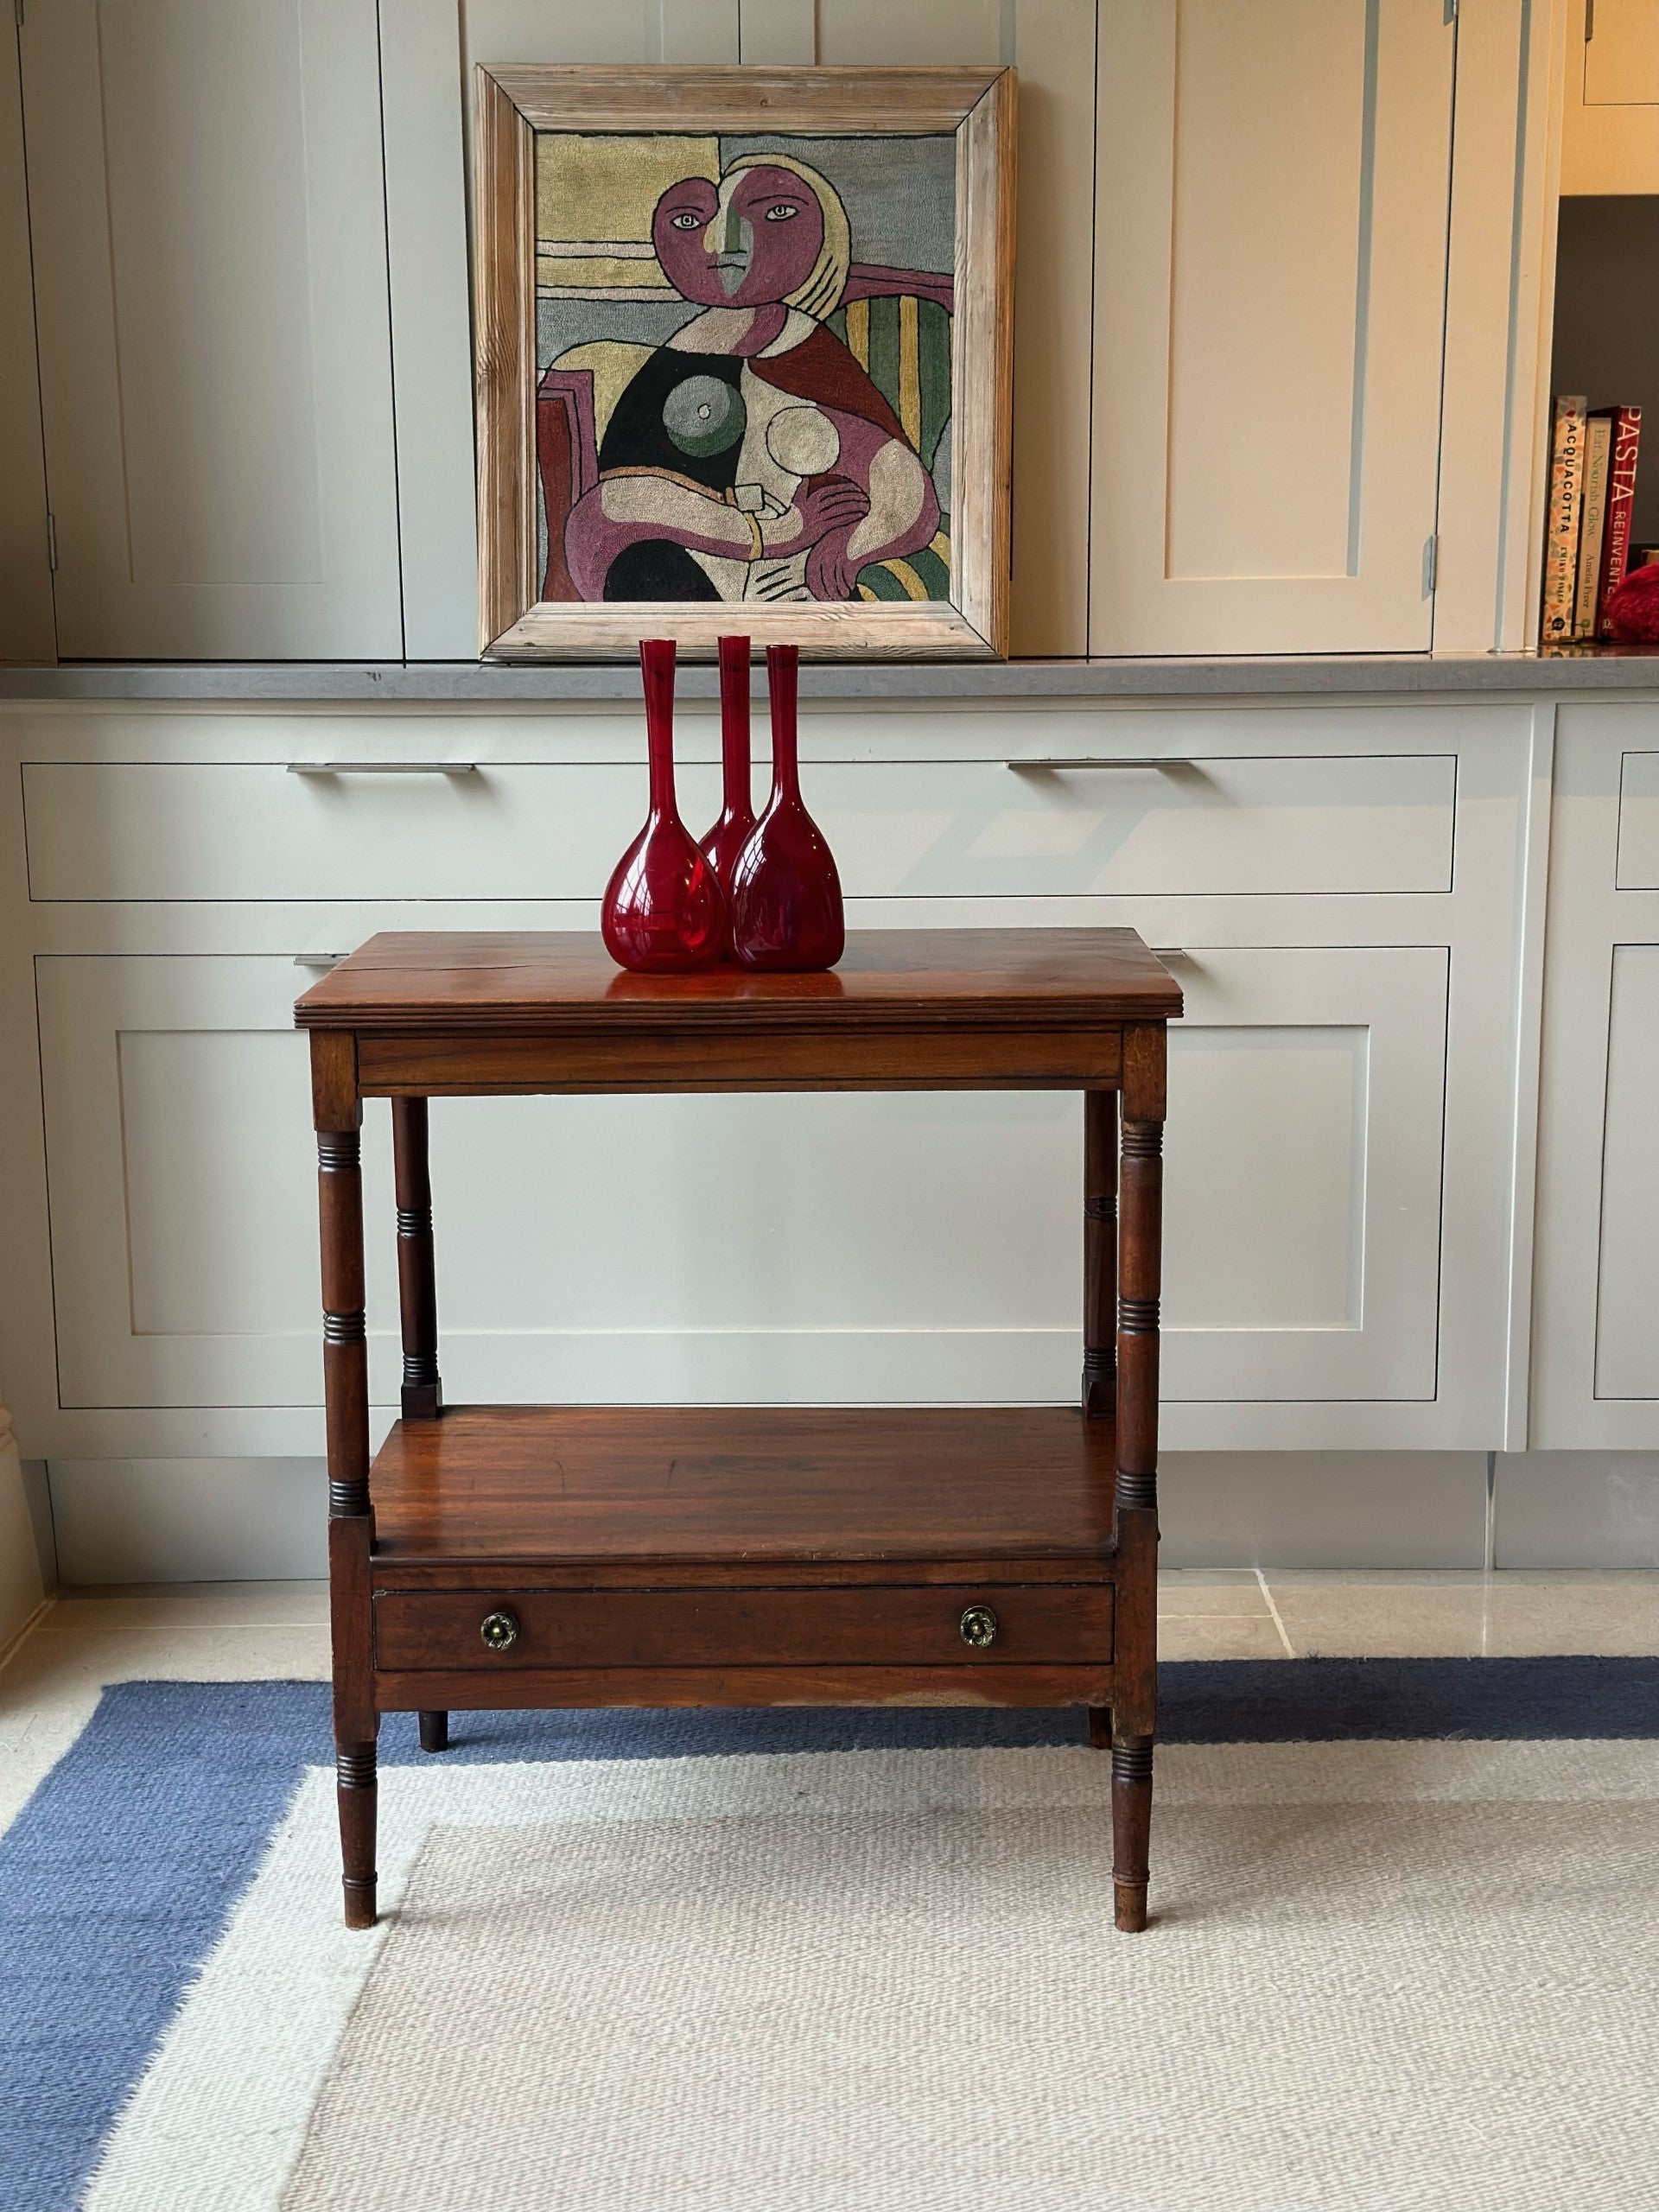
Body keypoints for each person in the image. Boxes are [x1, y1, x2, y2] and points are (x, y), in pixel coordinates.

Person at [563, 154, 940, 604]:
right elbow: (612, 509)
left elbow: (903, 487)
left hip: (794, 586)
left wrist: (852, 547)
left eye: (775, 213)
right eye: (689, 220)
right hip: (689, 575)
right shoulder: (677, 358)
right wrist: (773, 532)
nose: (725, 244)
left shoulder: (807, 353)